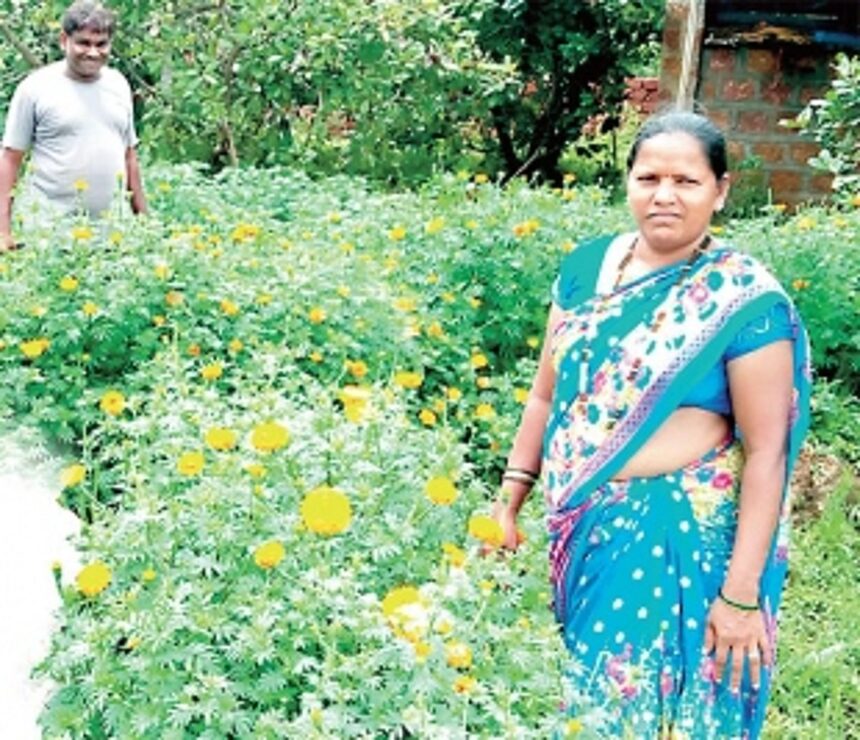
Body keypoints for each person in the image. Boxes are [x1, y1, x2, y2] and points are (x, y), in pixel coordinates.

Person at [495, 111, 811, 738]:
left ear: (720, 191)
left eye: (686, 181)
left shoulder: (743, 301)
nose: (664, 195)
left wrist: (740, 595)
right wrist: (508, 504)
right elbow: (543, 397)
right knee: (581, 700)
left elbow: (767, 453)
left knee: (643, 712)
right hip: (583, 528)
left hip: (678, 538)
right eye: (649, 178)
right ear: (629, 183)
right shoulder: (585, 270)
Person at [0, 0, 146, 251]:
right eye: (83, 43)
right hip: (48, 236)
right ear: (63, 40)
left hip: (111, 237)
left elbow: (129, 157)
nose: (93, 52)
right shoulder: (35, 88)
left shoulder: (118, 85)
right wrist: (3, 231)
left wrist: (144, 222)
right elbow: (10, 160)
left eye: (101, 44)